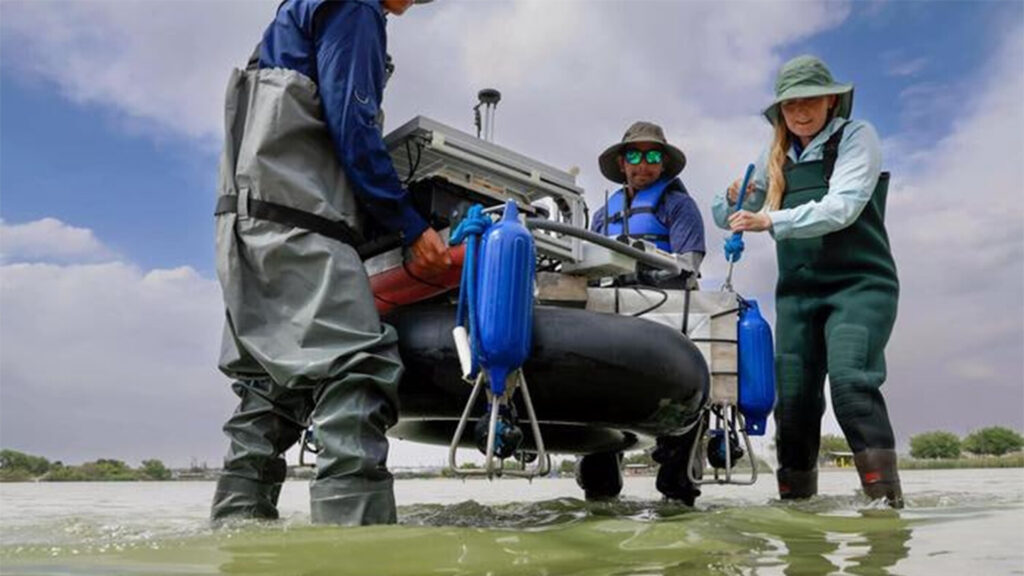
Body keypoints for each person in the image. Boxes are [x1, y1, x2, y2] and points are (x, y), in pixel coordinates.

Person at [210, 0, 451, 526]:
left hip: (245, 224)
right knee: (356, 367)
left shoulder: (292, 19)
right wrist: (409, 223)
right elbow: (352, 121)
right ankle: (355, 548)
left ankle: (236, 539)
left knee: (267, 391)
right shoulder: (357, 7)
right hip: (300, 219)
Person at [712, 55, 903, 508]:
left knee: (851, 384)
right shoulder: (773, 153)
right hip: (798, 295)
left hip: (860, 285)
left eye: (809, 101)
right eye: (790, 104)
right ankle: (798, 516)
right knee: (794, 400)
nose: (799, 112)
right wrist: (731, 200)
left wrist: (768, 219)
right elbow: (728, 217)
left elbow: (844, 206)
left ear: (831, 99)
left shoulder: (856, 137)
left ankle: (885, 511)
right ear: (780, 110)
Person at [580, 121, 706, 505]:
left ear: (663, 164)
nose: (644, 165)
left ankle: (677, 497)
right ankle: (600, 496)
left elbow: (689, 262)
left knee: (683, 407)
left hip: (667, 317)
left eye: (653, 156)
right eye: (634, 155)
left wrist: (643, 269)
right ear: (622, 163)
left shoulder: (678, 205)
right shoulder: (603, 214)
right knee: (594, 397)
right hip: (611, 319)